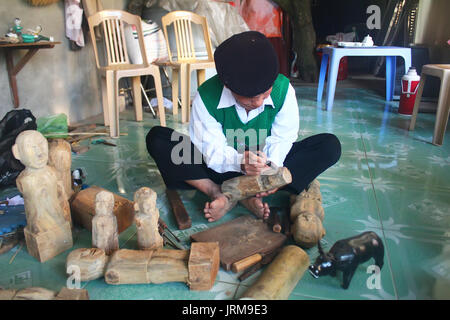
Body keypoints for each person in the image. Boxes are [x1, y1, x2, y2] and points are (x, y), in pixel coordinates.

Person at [147, 31, 341, 222]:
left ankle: (251, 191)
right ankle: (217, 191)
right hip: (220, 167)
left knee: (329, 145)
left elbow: (283, 137)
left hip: (263, 170)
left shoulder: (284, 90)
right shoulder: (206, 97)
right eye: (249, 98)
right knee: (158, 138)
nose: (258, 103)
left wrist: (271, 170)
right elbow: (212, 150)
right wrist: (240, 162)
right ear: (228, 87)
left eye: (265, 95)